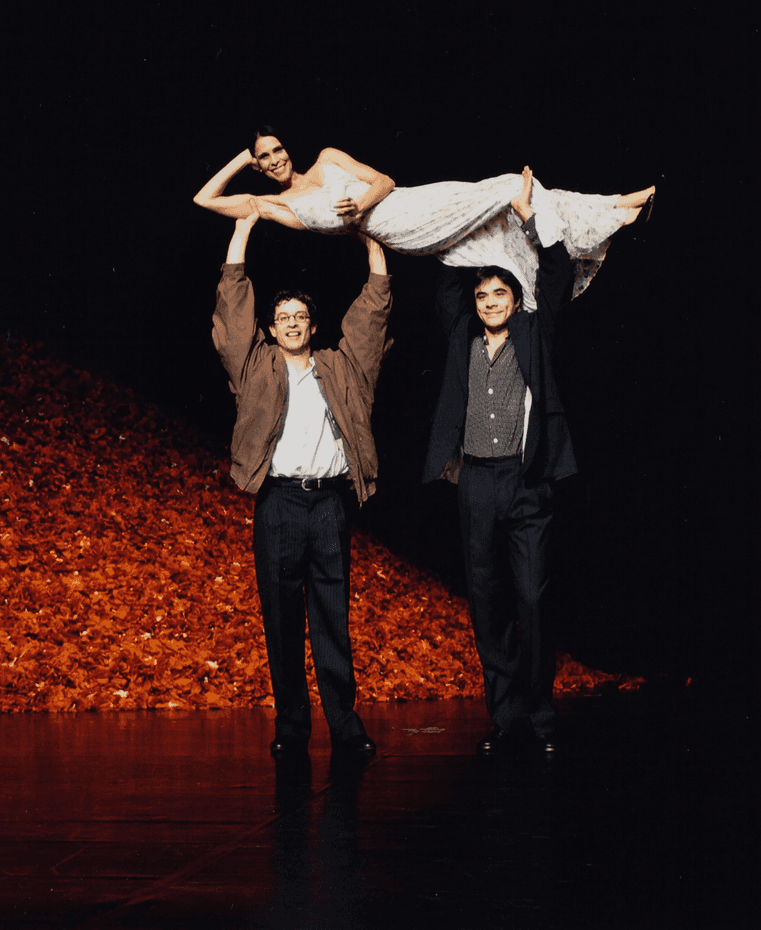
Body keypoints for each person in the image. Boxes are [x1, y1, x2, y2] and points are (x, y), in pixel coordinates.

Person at [211, 207, 391, 759]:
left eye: (300, 316)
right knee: (282, 618)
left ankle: (345, 725)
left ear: (313, 326)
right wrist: (242, 232)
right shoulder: (254, 367)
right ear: (271, 329)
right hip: (279, 503)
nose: (291, 322)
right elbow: (232, 315)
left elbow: (371, 317)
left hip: (330, 504)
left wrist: (372, 243)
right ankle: (292, 726)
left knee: (332, 617)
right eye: (281, 316)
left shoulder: (340, 368)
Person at [421, 167, 580, 756]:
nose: (490, 302)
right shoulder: (462, 335)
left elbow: (558, 273)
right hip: (476, 485)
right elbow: (443, 287)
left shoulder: (535, 334)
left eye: (500, 295)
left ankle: (540, 713)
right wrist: (474, 221)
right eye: (483, 295)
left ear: (516, 301)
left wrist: (525, 215)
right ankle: (505, 714)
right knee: (486, 600)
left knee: (533, 598)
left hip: (526, 481)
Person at [194, 126, 654, 305]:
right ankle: (617, 207)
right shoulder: (277, 206)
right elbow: (205, 200)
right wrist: (240, 159)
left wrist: (359, 205)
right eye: (264, 157)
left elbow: (384, 181)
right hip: (403, 232)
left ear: (287, 148)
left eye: (277, 149)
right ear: (259, 163)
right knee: (513, 188)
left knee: (509, 200)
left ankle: (617, 209)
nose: (274, 159)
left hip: (409, 202)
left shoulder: (328, 158)